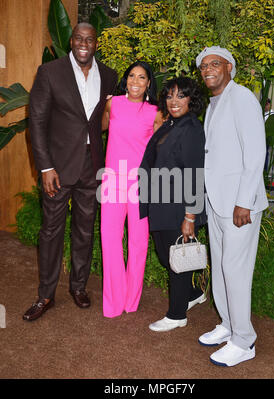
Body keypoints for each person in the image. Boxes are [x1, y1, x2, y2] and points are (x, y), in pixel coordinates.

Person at [23, 23, 118, 321]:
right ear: (71, 40)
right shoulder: (50, 72)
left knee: (85, 229)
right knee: (51, 230)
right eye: (79, 38)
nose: (83, 44)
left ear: (96, 44)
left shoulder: (110, 76)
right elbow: (36, 123)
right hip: (58, 168)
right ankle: (46, 295)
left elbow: (103, 119)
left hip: (92, 165)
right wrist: (45, 167)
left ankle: (78, 286)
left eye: (90, 40)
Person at [196, 46, 268, 366]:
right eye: (202, 66)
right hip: (218, 201)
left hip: (240, 205)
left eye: (214, 64)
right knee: (223, 266)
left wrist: (243, 202)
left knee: (236, 271)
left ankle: (244, 340)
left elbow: (255, 154)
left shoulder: (242, 98)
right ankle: (228, 325)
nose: (207, 69)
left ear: (229, 67)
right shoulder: (215, 103)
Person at [139, 77, 207, 332]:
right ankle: (191, 294)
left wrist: (190, 216)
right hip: (162, 203)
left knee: (176, 258)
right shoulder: (171, 124)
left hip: (179, 206)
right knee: (168, 256)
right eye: (169, 96)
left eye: (181, 96)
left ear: (192, 99)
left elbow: (194, 173)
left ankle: (177, 315)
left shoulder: (191, 128)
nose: (174, 101)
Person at [100, 61, 163, 318]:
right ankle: (114, 300)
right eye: (131, 76)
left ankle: (131, 299)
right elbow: (102, 127)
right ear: (126, 79)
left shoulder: (156, 112)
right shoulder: (113, 103)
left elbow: (160, 150)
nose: (135, 81)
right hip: (113, 180)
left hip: (140, 183)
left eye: (141, 78)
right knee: (109, 238)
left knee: (138, 243)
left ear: (149, 83)